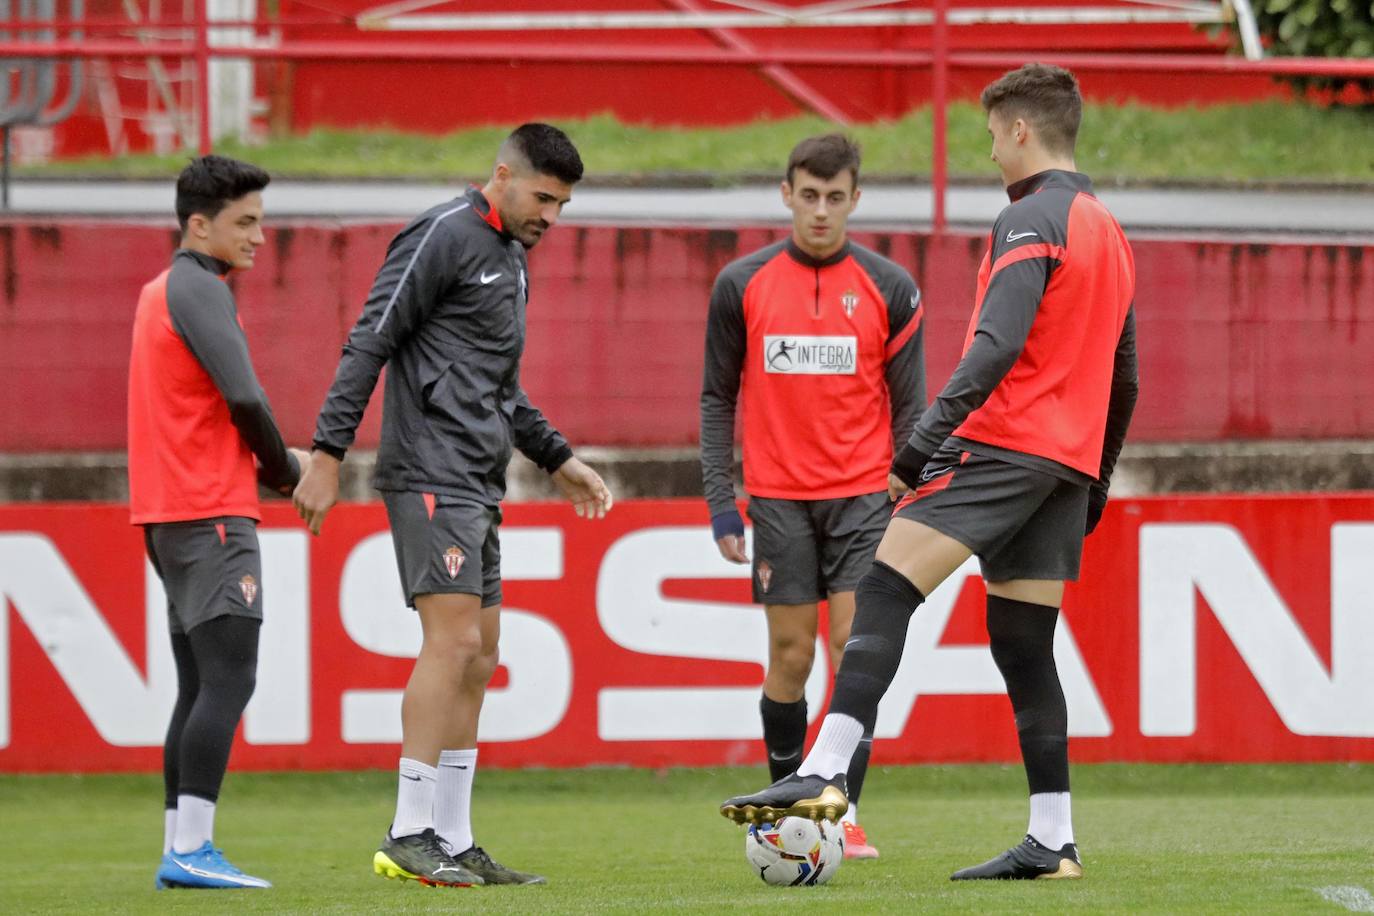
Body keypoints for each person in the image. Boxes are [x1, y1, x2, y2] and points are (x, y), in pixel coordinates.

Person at [719, 63, 1139, 882]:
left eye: (991, 136)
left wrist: (919, 451)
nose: (988, 153)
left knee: (882, 586)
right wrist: (1099, 477)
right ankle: (1052, 838)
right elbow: (1126, 374)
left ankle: (830, 769)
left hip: (1005, 444)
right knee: (1023, 644)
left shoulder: (1030, 219)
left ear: (1020, 130)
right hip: (1065, 465)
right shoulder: (1108, 230)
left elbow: (995, 347)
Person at [292, 123, 613, 888]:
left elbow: (499, 388)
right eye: (543, 197)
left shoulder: (510, 259)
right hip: (429, 472)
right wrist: (329, 454)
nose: (552, 217)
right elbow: (370, 338)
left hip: (480, 479)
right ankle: (408, 831)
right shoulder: (440, 234)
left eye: (563, 205)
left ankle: (454, 836)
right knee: (455, 643)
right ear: (502, 175)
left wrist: (559, 458)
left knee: (481, 656)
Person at [699, 133, 926, 860]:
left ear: (856, 199)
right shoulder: (743, 283)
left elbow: (912, 408)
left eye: (836, 197)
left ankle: (842, 813)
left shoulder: (891, 287)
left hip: (862, 499)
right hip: (776, 501)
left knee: (852, 652)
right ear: (786, 194)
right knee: (792, 658)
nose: (821, 210)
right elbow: (716, 398)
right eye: (809, 195)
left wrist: (906, 487)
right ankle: (782, 815)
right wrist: (718, 500)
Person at [129, 154, 306, 889]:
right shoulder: (198, 289)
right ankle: (193, 850)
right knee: (231, 680)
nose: (259, 236)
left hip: (168, 516)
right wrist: (287, 470)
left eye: (260, 222)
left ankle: (180, 847)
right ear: (199, 226)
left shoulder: (158, 291)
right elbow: (244, 396)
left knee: (197, 684)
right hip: (212, 515)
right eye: (245, 222)